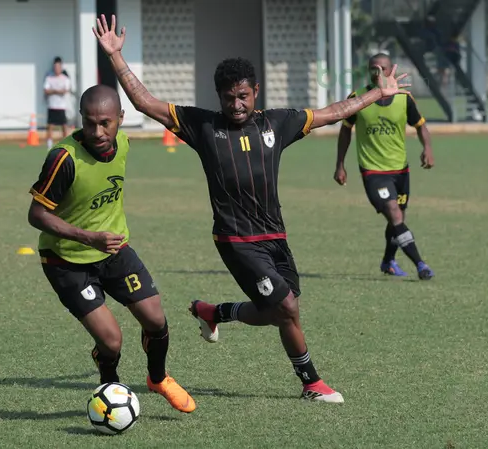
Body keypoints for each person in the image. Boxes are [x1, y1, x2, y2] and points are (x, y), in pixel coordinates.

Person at [94, 14, 411, 403]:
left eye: (243, 95)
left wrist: (376, 95)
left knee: (280, 310)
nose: (237, 104)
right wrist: (116, 57)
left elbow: (333, 112)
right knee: (288, 308)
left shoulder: (277, 124)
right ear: (219, 96)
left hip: (275, 235)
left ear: (255, 92)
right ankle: (312, 383)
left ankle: (215, 312)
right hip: (236, 240)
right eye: (229, 97)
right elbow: (144, 102)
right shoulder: (203, 127)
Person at [27, 84, 196, 413]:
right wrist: (88, 237)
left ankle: (158, 378)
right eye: (89, 123)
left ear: (120, 118)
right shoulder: (63, 159)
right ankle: (111, 385)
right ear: (80, 120)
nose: (97, 131)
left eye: (105, 122)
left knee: (156, 320)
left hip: (114, 249)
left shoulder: (123, 144)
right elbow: (36, 214)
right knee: (111, 340)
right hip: (66, 261)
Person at [335, 53, 435, 280]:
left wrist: (427, 147)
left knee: (397, 218)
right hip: (373, 171)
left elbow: (420, 126)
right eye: (373, 68)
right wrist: (340, 164)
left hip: (400, 169)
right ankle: (420, 264)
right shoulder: (357, 98)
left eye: (382, 68)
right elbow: (344, 131)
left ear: (392, 70)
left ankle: (388, 261)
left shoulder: (404, 98)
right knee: (394, 213)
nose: (377, 72)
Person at [43, 59, 72, 149]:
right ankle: (49, 144)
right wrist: (56, 91)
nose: (57, 69)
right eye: (55, 67)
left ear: (61, 67)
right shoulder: (49, 78)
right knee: (50, 126)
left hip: (61, 106)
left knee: (64, 126)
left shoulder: (65, 78)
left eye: (58, 67)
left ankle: (65, 144)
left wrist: (54, 91)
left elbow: (65, 90)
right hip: (52, 105)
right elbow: (46, 90)